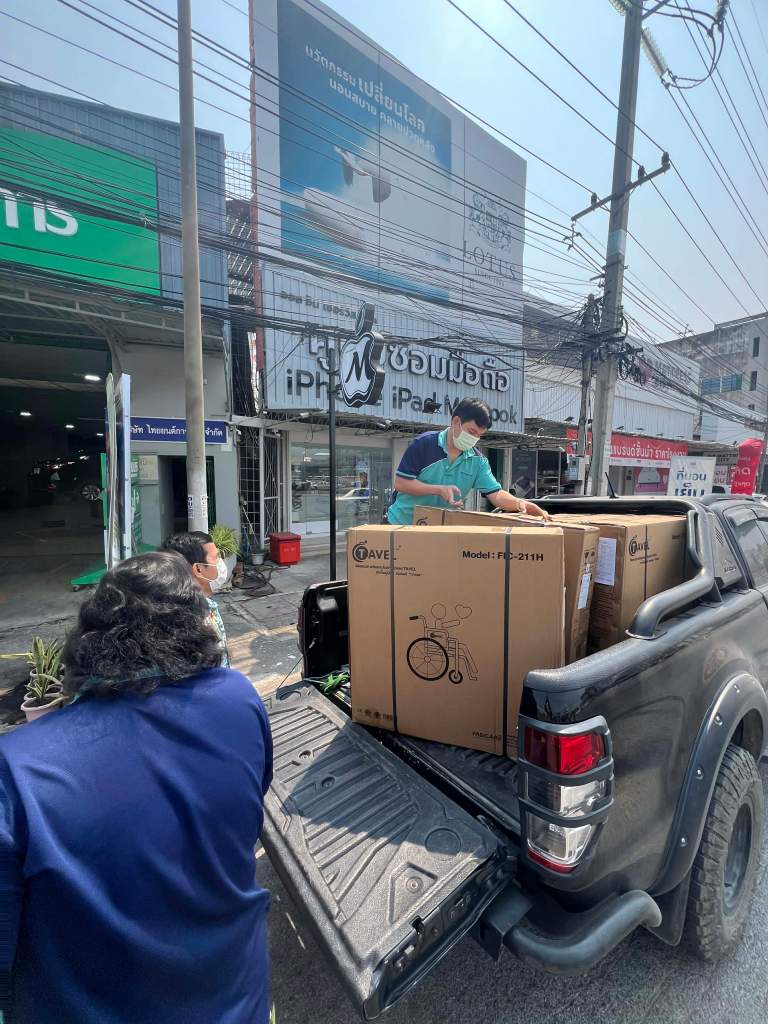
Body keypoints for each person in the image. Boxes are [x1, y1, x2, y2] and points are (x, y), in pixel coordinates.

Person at [0, 551, 273, 1024]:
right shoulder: (238, 698)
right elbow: (248, 812)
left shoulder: (18, 769)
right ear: (197, 626)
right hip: (241, 999)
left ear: (89, 636)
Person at [387, 397, 550, 525]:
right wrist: (438, 490)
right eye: (471, 432)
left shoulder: (478, 462)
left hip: (439, 531)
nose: (474, 439)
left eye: (479, 435)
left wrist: (519, 504)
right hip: (401, 525)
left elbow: (496, 494)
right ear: (456, 422)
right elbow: (401, 483)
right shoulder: (424, 444)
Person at [162, 530, 230, 667]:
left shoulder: (206, 605)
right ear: (198, 569)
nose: (221, 563)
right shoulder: (192, 620)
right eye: (216, 558)